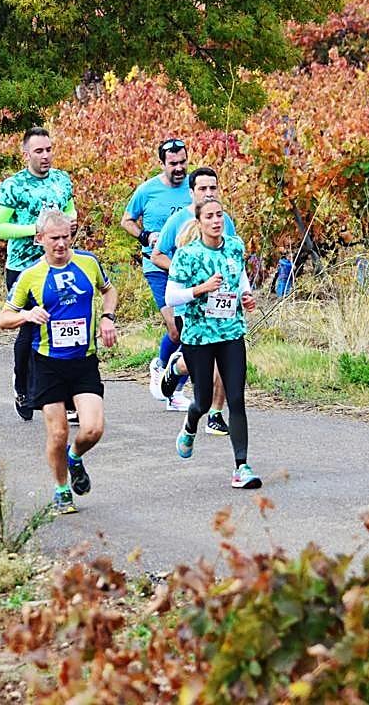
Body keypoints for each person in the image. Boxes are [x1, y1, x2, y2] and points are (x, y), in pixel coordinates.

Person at [0, 209, 117, 515]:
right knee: (58, 432)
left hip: (83, 361)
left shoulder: (88, 263)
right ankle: (62, 488)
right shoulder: (30, 277)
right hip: (48, 363)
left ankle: (74, 458)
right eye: (54, 238)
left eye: (66, 236)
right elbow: (3, 318)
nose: (62, 244)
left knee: (93, 429)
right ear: (40, 239)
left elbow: (109, 290)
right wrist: (26, 314)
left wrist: (107, 317)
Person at [161, 198, 261, 489]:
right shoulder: (188, 255)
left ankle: (241, 466)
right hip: (199, 337)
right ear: (199, 221)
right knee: (203, 401)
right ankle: (190, 426)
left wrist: (247, 295)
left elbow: (239, 277)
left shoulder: (234, 246)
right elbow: (171, 297)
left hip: (231, 332)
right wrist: (201, 289)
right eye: (210, 217)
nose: (216, 221)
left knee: (236, 399)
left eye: (220, 215)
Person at [0, 127, 76, 420]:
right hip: (24, 267)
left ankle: (67, 394)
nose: (46, 155)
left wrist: (68, 226)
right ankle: (23, 387)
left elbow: (70, 212)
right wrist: (36, 230)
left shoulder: (62, 180)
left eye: (49, 149)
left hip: (60, 264)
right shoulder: (13, 186)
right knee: (28, 327)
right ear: (26, 154)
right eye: (39, 151)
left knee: (64, 326)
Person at [150, 166, 238, 432]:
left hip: (221, 299)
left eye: (213, 188)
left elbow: (234, 258)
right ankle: (176, 367)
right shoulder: (178, 220)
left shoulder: (224, 220)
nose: (208, 193)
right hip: (191, 302)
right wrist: (187, 275)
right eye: (203, 188)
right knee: (198, 360)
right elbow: (157, 255)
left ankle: (215, 413)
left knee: (223, 353)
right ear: (191, 192)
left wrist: (241, 290)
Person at [120, 138, 190, 413]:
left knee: (188, 330)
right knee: (176, 327)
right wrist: (145, 235)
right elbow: (126, 220)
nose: (179, 168)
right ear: (162, 164)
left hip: (188, 269)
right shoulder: (147, 190)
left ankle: (176, 388)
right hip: (157, 266)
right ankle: (161, 367)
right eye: (173, 164)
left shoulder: (193, 189)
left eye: (183, 162)